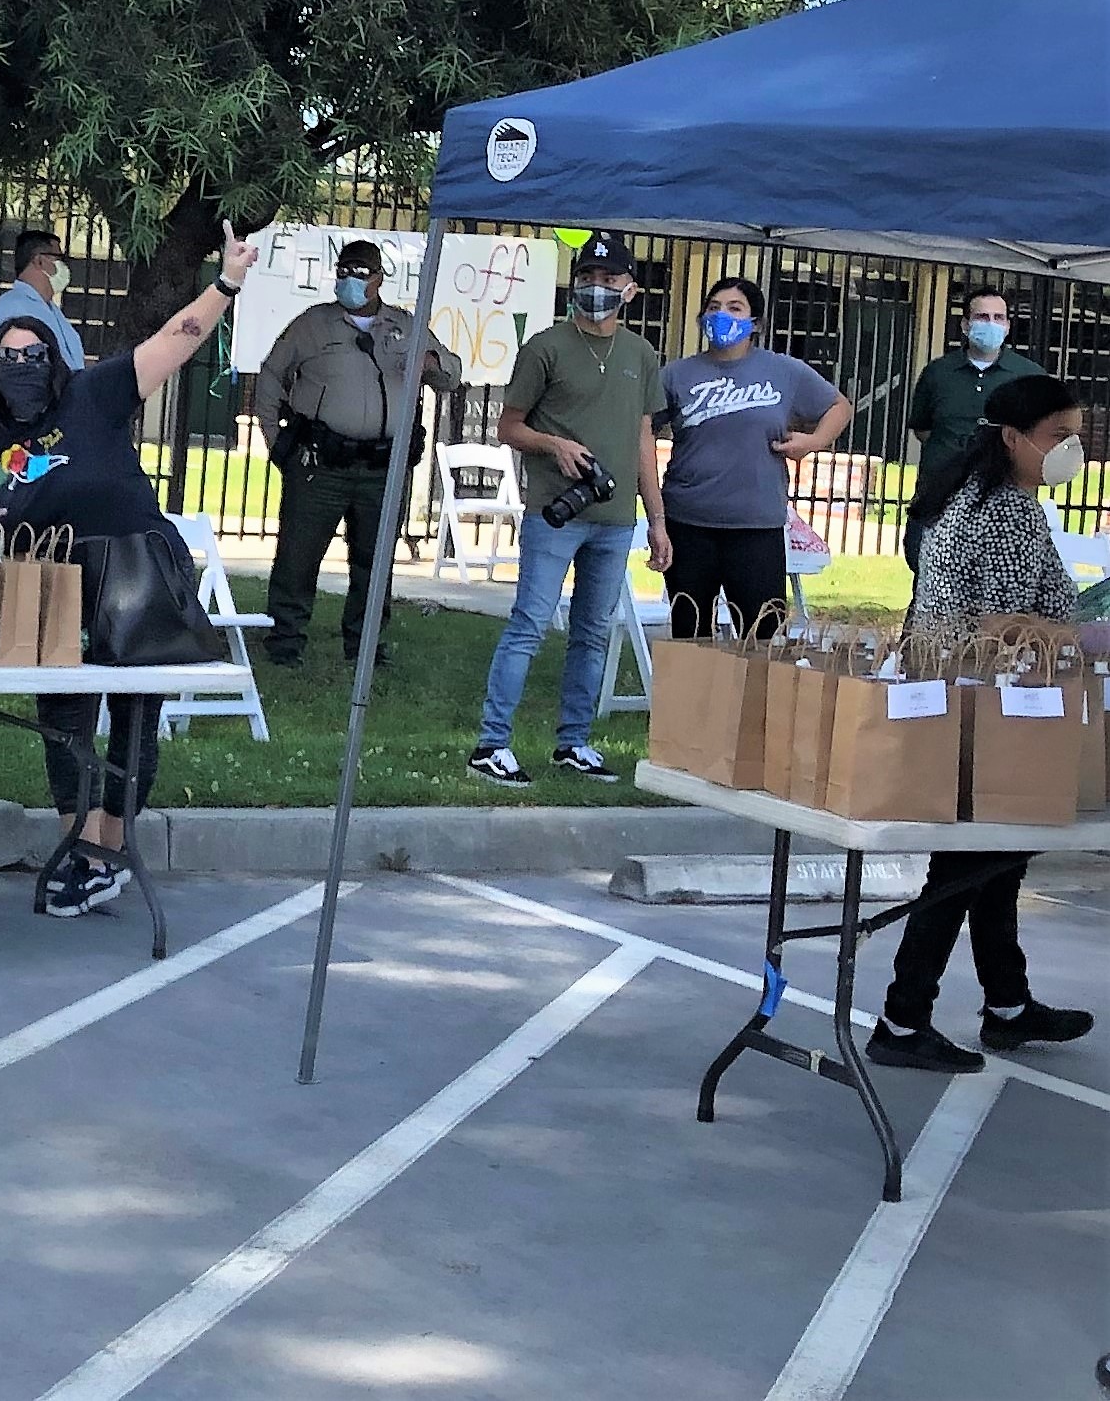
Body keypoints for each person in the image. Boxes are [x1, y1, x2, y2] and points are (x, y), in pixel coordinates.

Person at [0, 225, 263, 917]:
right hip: (53, 584)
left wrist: (226, 282)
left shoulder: (95, 393)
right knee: (64, 721)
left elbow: (175, 340)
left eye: (33, 352)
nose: (22, 364)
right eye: (7, 356)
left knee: (134, 718)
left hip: (135, 575)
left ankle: (110, 847)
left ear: (53, 354)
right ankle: (79, 846)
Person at [867, 372, 1094, 1071]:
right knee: (966, 867)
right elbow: (1002, 629)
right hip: (980, 708)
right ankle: (902, 1021)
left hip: (972, 704)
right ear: (1012, 438)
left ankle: (1007, 1004)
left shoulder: (995, 501)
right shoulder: (1000, 514)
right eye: (1058, 437)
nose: (1070, 452)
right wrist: (1086, 638)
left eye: (1076, 438)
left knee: (996, 862)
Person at [468, 231, 668, 787]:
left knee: (594, 632)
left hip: (614, 519)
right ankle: (492, 742)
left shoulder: (640, 355)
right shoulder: (546, 347)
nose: (597, 289)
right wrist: (554, 445)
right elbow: (509, 426)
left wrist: (657, 519)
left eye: (609, 280)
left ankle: (574, 742)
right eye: (587, 279)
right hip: (554, 512)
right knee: (530, 623)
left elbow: (643, 440)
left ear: (630, 289)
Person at [250, 237, 458, 667]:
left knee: (375, 560)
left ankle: (364, 646)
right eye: (344, 271)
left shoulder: (404, 327)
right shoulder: (312, 325)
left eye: (361, 272)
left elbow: (452, 375)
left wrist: (432, 365)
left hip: (384, 466)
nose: (350, 280)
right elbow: (270, 378)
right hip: (320, 463)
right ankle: (285, 642)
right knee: (298, 555)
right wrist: (277, 442)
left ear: (380, 277)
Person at [655, 276, 849, 638]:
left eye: (734, 308)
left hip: (756, 526)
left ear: (755, 323)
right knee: (690, 635)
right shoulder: (677, 374)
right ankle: (695, 697)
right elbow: (641, 428)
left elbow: (839, 406)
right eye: (713, 308)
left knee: (762, 636)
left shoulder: (783, 372)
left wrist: (812, 442)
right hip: (689, 523)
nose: (721, 316)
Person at [903, 288, 1044, 569]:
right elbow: (923, 429)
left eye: (998, 317)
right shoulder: (938, 373)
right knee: (930, 583)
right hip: (940, 499)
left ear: (1007, 327)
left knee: (1000, 589)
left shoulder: (1030, 377)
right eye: (982, 316)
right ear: (966, 325)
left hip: (1005, 502)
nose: (990, 323)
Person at [0, 229, 86, 369]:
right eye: (58, 258)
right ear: (39, 261)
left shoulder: (49, 308)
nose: (64, 266)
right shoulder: (13, 308)